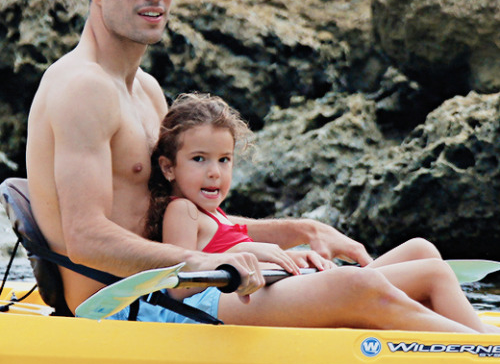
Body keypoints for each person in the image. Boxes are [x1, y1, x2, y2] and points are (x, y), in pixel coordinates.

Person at [24, 0, 491, 332]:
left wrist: (294, 231)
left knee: (424, 258)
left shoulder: (145, 89)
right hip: (123, 304)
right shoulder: (81, 87)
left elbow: (178, 213)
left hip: (188, 280)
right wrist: (206, 258)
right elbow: (86, 238)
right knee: (357, 289)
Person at [144, 92, 498, 333]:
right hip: (227, 302)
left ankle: (455, 342)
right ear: (169, 167)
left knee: (422, 251)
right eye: (199, 159)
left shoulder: (216, 213)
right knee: (418, 275)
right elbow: (176, 288)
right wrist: (239, 252)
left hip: (279, 286)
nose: (214, 173)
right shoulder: (183, 211)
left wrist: (299, 258)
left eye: (224, 160)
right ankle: (481, 351)